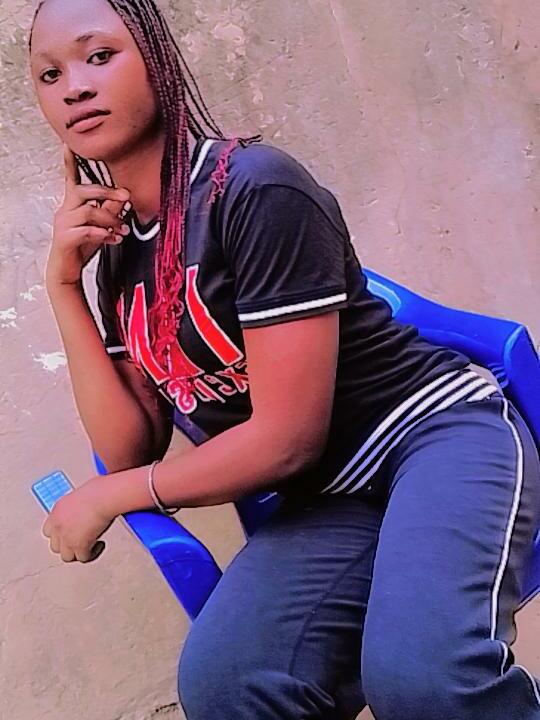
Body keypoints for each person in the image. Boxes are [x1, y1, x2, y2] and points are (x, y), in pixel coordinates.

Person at [28, 1, 540, 718]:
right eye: (50, 74)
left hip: (433, 437)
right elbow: (126, 447)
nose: (75, 86)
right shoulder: (118, 255)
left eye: (99, 56)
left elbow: (285, 439)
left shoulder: (255, 189)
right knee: (229, 683)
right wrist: (64, 286)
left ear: (156, 58)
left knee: (424, 679)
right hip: (331, 499)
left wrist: (109, 496)